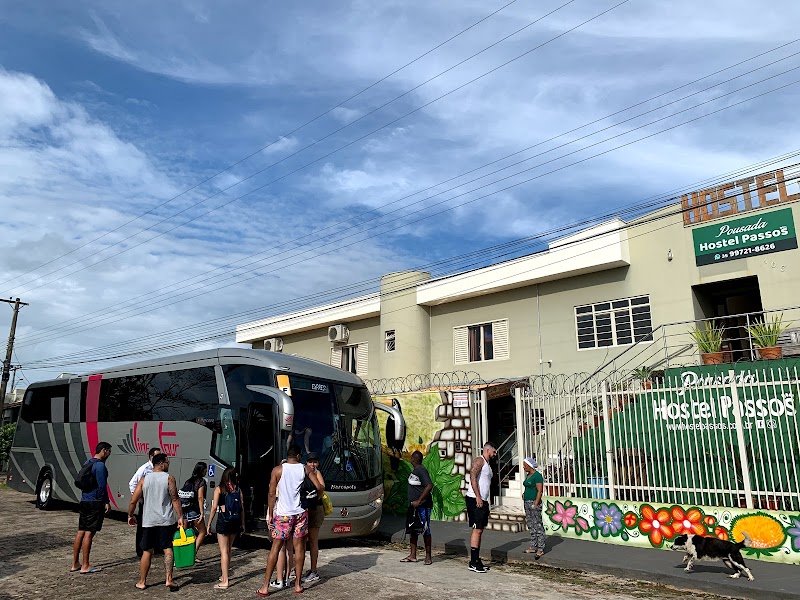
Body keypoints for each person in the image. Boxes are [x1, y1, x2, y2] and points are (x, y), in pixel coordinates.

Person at [127, 453, 187, 591]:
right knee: (167, 548)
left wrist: (130, 515)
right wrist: (180, 517)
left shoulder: (144, 479)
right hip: (165, 520)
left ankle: (142, 581)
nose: (168, 464)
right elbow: (175, 499)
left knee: (147, 551)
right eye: (167, 462)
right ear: (161, 463)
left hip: (149, 521)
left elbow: (133, 500)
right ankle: (168, 579)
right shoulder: (169, 478)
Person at [257, 445, 308, 597]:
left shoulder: (277, 470)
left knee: (275, 548)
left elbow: (272, 493)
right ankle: (298, 585)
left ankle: (265, 587)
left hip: (283, 514)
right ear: (298, 456)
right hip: (300, 513)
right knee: (299, 549)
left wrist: (270, 512)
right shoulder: (304, 469)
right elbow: (319, 486)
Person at [71, 442, 112, 574]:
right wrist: (106, 501)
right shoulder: (100, 466)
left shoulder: (88, 462)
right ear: (104, 451)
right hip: (95, 502)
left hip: (84, 500)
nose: (109, 454)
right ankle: (85, 565)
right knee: (90, 532)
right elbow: (101, 486)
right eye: (109, 451)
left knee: (81, 531)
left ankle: (75, 563)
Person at [208, 467, 245, 590]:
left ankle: (225, 580)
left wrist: (209, 524)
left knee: (223, 551)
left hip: (223, 521)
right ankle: (225, 575)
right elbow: (242, 508)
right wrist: (243, 524)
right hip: (235, 522)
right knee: (229, 550)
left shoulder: (219, 489)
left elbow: (213, 508)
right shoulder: (238, 490)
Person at [465, 442, 496, 573]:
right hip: (475, 499)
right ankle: (473, 562)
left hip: (482, 499)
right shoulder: (480, 460)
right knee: (477, 529)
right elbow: (472, 477)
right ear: (488, 450)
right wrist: (478, 496)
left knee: (480, 529)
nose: (495, 454)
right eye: (494, 452)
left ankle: (476, 560)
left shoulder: (488, 465)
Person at [401, 450, 433, 565]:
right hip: (413, 507)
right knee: (413, 529)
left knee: (425, 529)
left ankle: (428, 556)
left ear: (413, 459)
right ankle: (412, 555)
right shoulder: (415, 471)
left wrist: (419, 501)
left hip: (423, 506)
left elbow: (429, 486)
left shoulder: (421, 471)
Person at [129, 447, 161, 558]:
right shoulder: (145, 468)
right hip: (146, 502)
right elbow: (132, 483)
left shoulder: (159, 469)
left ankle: (155, 547)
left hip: (155, 502)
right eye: (157, 456)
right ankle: (140, 549)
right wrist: (139, 498)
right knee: (142, 527)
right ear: (151, 457)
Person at [301, 452, 326, 583]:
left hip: (315, 509)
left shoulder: (317, 473)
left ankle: (313, 570)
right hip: (304, 509)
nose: (312, 464)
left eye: (315, 462)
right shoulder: (303, 472)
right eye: (310, 462)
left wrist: (314, 498)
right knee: (300, 540)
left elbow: (321, 488)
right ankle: (296, 568)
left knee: (313, 540)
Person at [179, 461, 208, 561]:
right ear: (202, 471)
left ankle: (179, 557)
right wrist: (202, 512)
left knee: (184, 534)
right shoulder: (201, 481)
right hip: (194, 510)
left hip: (185, 509)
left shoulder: (188, 481)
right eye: (205, 470)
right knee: (202, 531)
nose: (206, 472)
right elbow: (200, 497)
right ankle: (192, 554)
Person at [522, 457, 545, 558]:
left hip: (533, 502)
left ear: (529, 466)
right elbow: (527, 487)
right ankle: (533, 545)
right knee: (530, 524)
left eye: (525, 465)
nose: (523, 467)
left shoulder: (537, 476)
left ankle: (540, 548)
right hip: (526, 502)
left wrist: (536, 503)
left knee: (537, 524)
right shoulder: (528, 475)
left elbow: (539, 491)